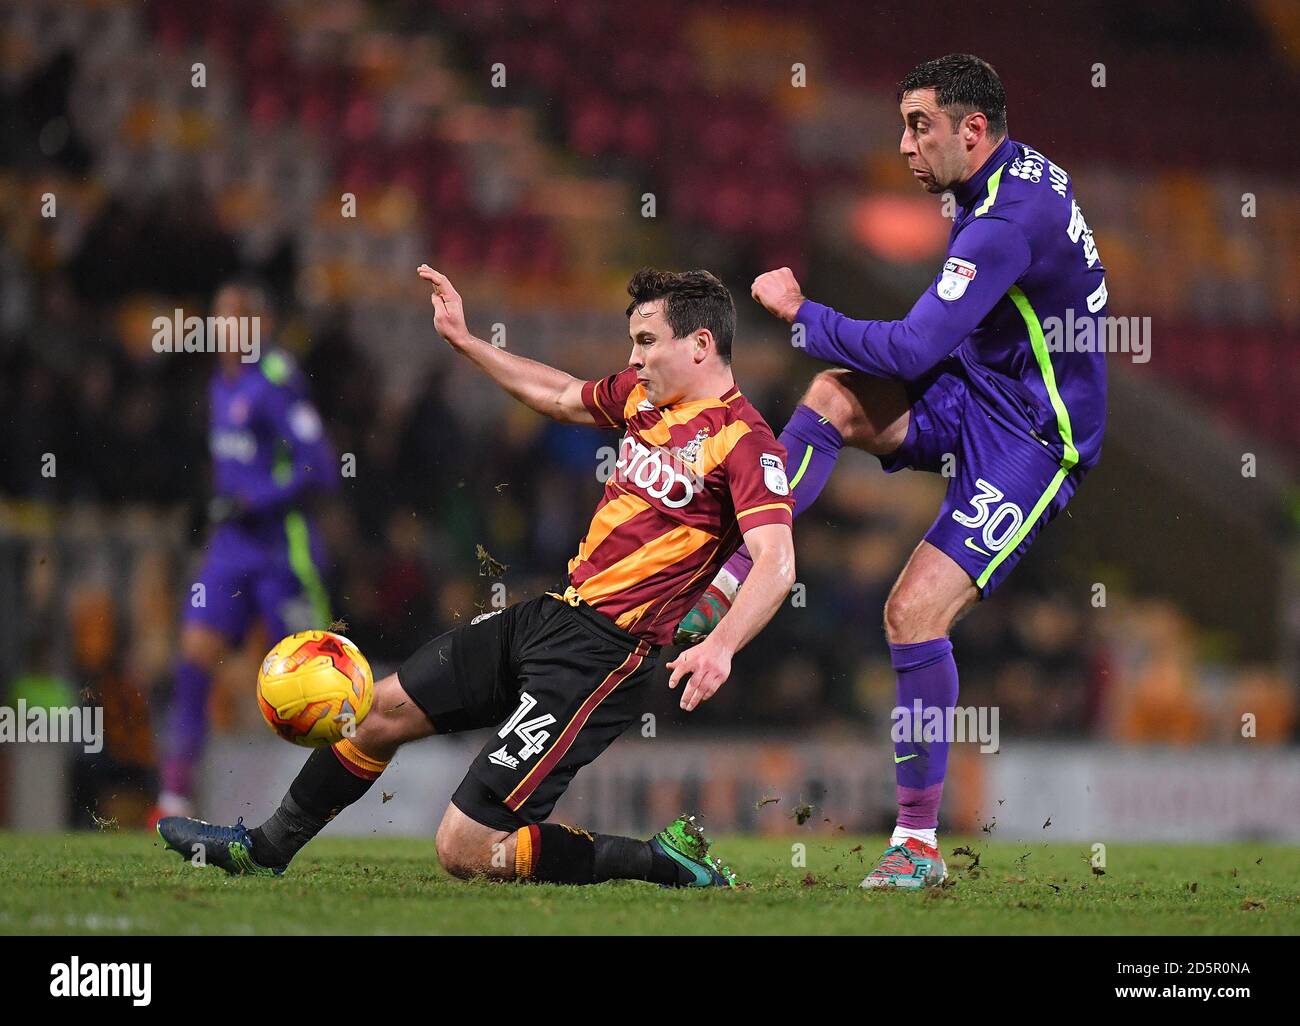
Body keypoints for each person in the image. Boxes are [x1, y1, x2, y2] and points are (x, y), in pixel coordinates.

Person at [159, 266, 796, 887]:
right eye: (633, 341)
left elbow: (775, 559)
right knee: (377, 711)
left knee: (465, 847)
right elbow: (557, 394)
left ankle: (660, 860)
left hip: (606, 656)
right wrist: (467, 343)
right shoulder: (642, 398)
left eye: (647, 342)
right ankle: (264, 850)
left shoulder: (744, 441)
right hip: (551, 614)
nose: (633, 358)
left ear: (701, 344)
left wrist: (720, 644)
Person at [676, 54, 1108, 889]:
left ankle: (916, 846)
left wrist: (804, 313)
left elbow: (914, 347)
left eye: (919, 125)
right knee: (833, 397)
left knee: (911, 614)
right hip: (982, 391)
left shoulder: (1003, 221)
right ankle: (738, 573)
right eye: (903, 123)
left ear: (971, 130)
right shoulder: (1005, 179)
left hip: (1036, 440)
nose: (904, 144)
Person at [155, 281, 335, 820]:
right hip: (232, 550)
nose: (225, 330)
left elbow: (320, 469)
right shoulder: (219, 384)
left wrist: (254, 499)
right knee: (192, 659)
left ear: (260, 324)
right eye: (219, 319)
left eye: (236, 319)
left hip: (284, 550)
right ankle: (172, 795)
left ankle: (339, 797)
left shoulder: (276, 381)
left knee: (316, 684)